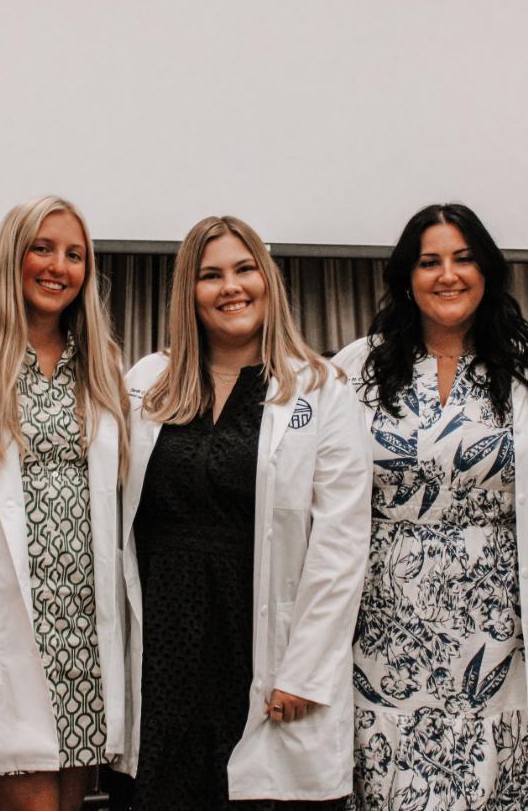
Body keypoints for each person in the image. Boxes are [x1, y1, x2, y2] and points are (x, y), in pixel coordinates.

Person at [333, 204, 528, 810]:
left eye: (463, 259)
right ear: (406, 276)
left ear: (488, 272)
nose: (447, 275)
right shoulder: (354, 370)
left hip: (504, 623)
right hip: (385, 624)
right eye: (429, 262)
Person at [122, 215, 372, 809]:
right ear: (189, 292)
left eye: (243, 269)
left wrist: (305, 670)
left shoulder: (321, 389)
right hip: (164, 651)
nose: (230, 286)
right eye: (210, 275)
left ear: (268, 279)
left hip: (259, 645)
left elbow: (340, 542)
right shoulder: (147, 381)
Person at [0, 196, 130, 811]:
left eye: (75, 255)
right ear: (11, 256)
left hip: (83, 633)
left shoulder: (100, 366)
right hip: (4, 620)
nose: (58, 266)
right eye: (42, 248)